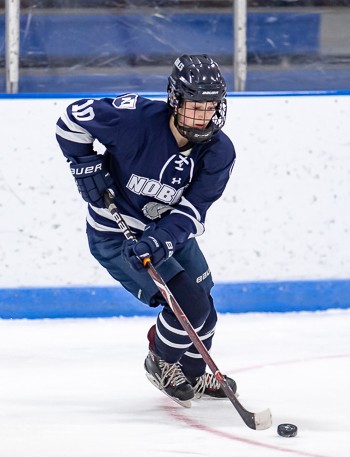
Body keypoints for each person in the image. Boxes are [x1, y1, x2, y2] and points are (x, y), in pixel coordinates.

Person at [56, 54, 237, 407]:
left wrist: (161, 239)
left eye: (211, 106)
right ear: (175, 100)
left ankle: (194, 373)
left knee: (204, 307)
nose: (203, 116)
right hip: (116, 236)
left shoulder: (219, 151)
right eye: (194, 106)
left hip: (169, 233)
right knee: (189, 304)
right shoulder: (133, 119)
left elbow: (193, 210)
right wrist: (84, 164)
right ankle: (161, 361)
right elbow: (69, 121)